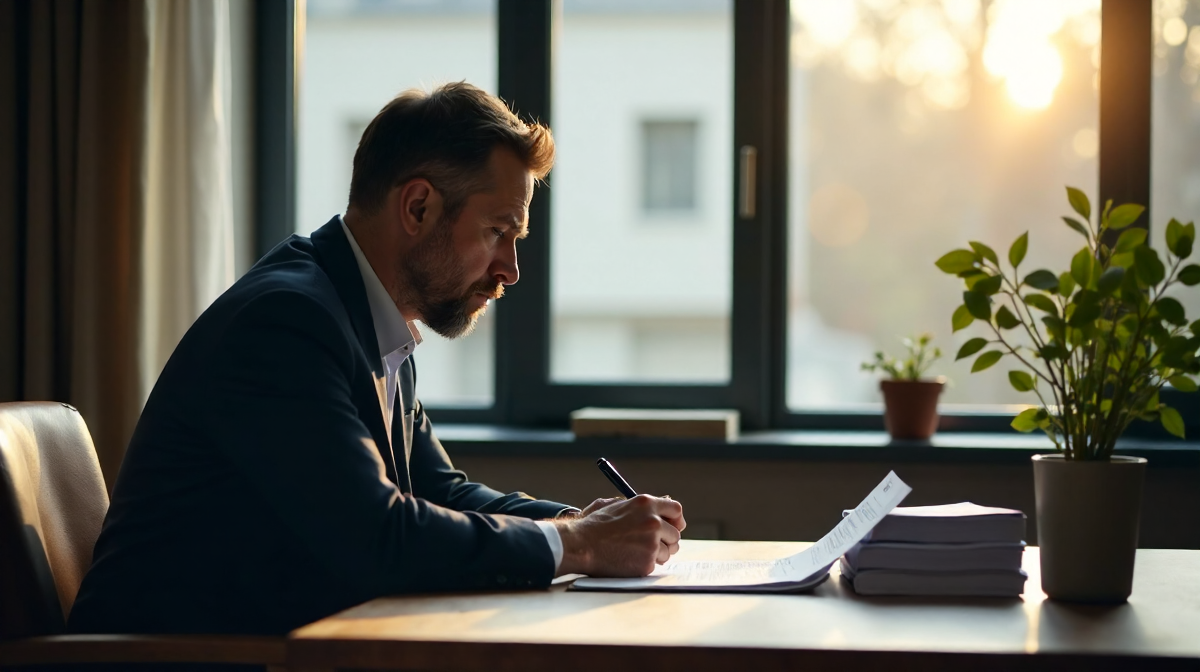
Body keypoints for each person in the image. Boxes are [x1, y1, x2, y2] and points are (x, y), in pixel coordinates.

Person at [69, 82, 686, 638]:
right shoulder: (286, 323)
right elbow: (377, 536)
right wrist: (576, 543)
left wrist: (583, 521)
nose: (510, 270)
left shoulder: (365, 315)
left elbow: (437, 492)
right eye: (499, 231)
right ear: (417, 208)